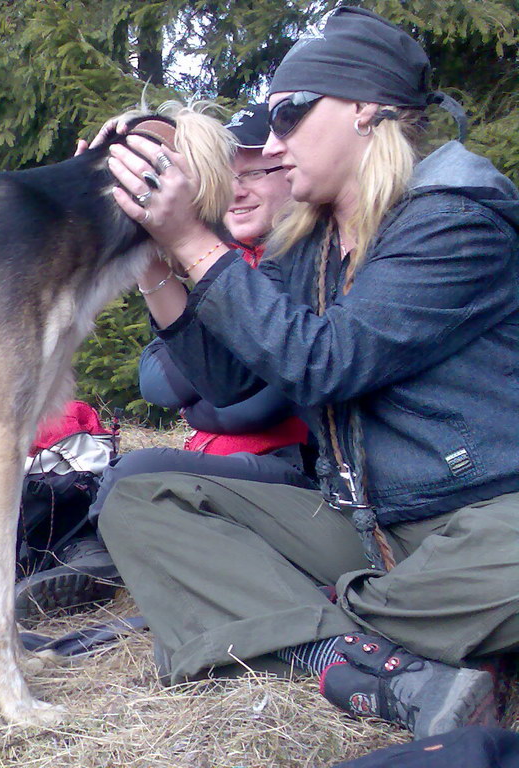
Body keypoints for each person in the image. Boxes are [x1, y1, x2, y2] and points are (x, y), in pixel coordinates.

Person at [95, 6, 519, 740]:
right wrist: (156, 253)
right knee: (141, 500)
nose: (276, 140)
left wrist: (195, 242)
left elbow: (327, 364)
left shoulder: (453, 217)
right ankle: (361, 653)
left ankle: (304, 626)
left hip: (484, 519)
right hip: (370, 529)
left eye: (289, 115)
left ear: (364, 110)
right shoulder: (313, 241)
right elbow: (225, 380)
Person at [88, 103, 312, 527]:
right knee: (115, 475)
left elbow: (251, 409)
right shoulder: (225, 261)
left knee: (135, 472)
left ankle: (98, 561)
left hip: (292, 469)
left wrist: (198, 404)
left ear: (290, 171)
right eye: (227, 177)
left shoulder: (303, 260)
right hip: (224, 460)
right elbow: (154, 381)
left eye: (253, 173)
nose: (237, 190)